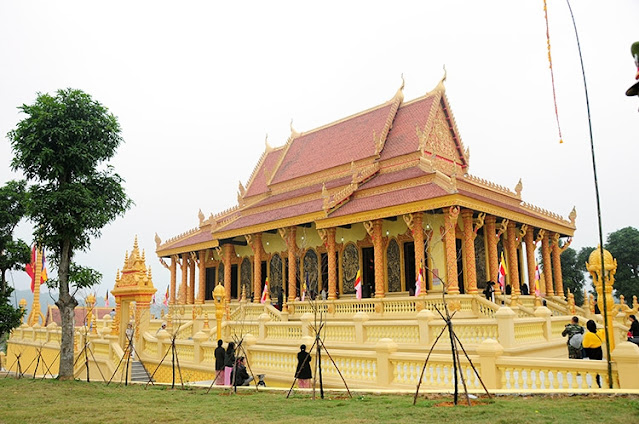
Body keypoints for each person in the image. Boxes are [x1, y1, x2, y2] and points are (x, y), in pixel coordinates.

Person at [582, 319, 605, 388]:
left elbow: (585, 345)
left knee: (594, 368)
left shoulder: (588, 335)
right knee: (598, 367)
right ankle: (598, 382)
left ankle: (595, 383)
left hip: (592, 352)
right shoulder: (599, 332)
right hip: (599, 350)